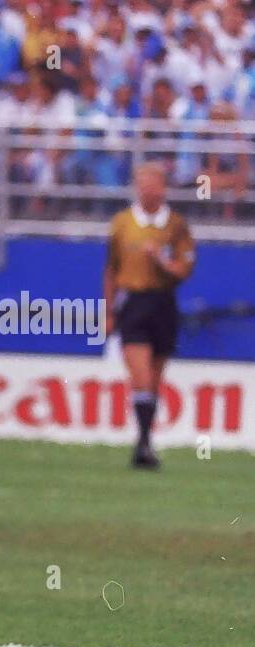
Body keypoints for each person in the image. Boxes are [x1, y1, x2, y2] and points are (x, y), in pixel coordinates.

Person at [104, 162, 196, 469]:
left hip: (163, 303)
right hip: (133, 304)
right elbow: (111, 270)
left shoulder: (176, 226)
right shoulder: (122, 223)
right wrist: (108, 311)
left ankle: (144, 443)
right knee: (141, 377)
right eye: (142, 184)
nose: (147, 190)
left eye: (152, 185)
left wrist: (161, 260)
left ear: (163, 188)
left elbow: (184, 269)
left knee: (155, 379)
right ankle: (144, 443)